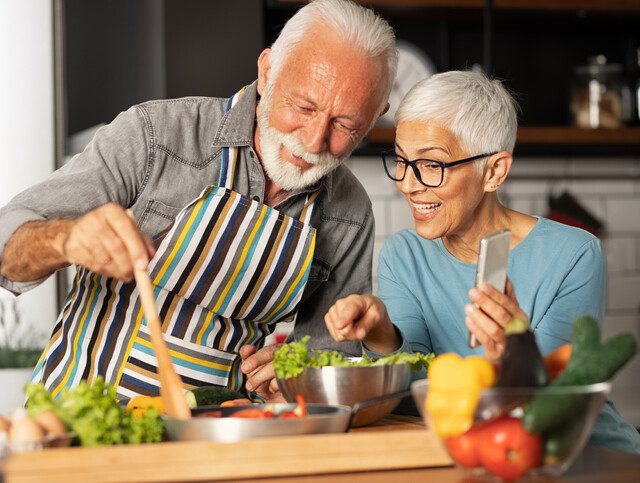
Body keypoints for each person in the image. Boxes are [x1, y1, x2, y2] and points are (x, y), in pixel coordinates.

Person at [0, 0, 397, 402]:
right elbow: (6, 247)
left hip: (216, 435)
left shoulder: (348, 213)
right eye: (303, 107)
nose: (313, 142)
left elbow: (332, 358)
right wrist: (64, 238)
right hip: (78, 421)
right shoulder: (156, 137)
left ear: (376, 116)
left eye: (345, 125)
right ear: (267, 71)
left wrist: (293, 372)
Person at [324, 71, 640, 454]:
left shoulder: (574, 254)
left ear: (494, 171)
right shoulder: (403, 254)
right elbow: (412, 390)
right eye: (402, 161)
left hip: (584, 454)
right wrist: (378, 332)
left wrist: (516, 351)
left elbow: (557, 403)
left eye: (431, 165)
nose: (408, 184)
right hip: (481, 453)